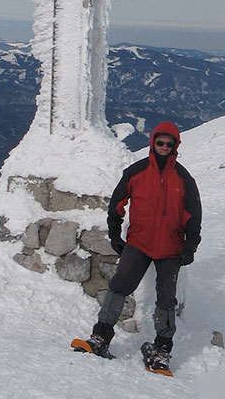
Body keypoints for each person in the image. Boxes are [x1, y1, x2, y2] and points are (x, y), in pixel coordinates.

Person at [74, 121, 202, 373]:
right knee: (119, 286)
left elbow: (193, 215)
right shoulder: (136, 171)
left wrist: (190, 246)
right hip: (139, 243)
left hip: (170, 248)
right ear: (153, 142)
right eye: (160, 142)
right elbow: (117, 204)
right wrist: (114, 234)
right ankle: (100, 337)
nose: (164, 147)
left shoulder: (184, 179)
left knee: (166, 298)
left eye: (169, 143)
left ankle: (162, 349)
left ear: (176, 145)